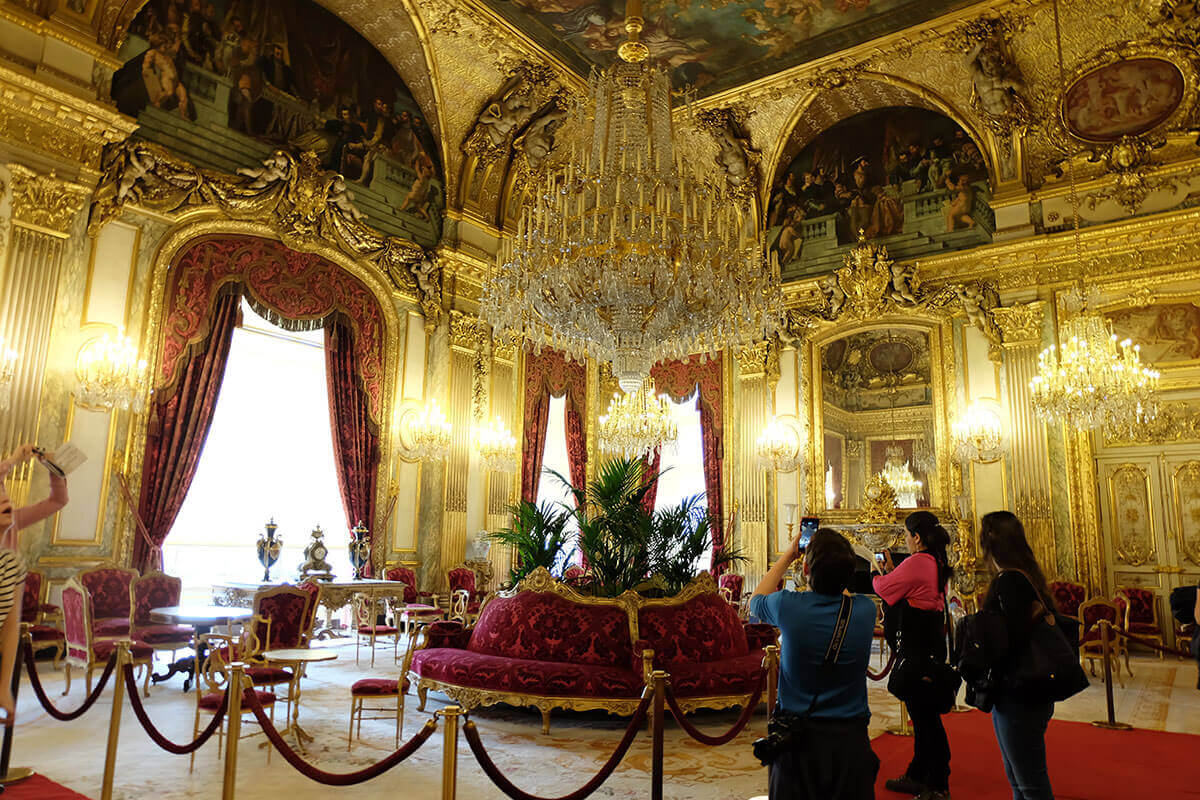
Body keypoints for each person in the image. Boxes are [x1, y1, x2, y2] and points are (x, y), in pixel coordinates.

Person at [750, 528, 879, 800]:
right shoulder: (866, 611)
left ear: (806, 567)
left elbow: (755, 601)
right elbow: (843, 593)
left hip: (798, 739)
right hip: (850, 740)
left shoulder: (787, 606)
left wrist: (789, 554)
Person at [873, 511, 954, 800]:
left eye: (907, 536)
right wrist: (894, 571)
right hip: (930, 645)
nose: (906, 541)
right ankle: (919, 773)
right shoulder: (936, 561)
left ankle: (937, 784)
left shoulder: (919, 561)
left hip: (918, 648)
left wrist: (878, 572)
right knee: (923, 716)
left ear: (916, 537)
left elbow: (883, 588)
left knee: (925, 718)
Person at [978, 511, 1058, 800]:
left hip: (1019, 692)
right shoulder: (1026, 576)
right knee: (1018, 775)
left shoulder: (1009, 582)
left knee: (1028, 782)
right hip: (1027, 689)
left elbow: (1007, 641)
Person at [0, 444, 69, 723]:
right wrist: (13, 461)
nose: (7, 497)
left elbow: (58, 501)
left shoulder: (12, 539)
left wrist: (53, 468)